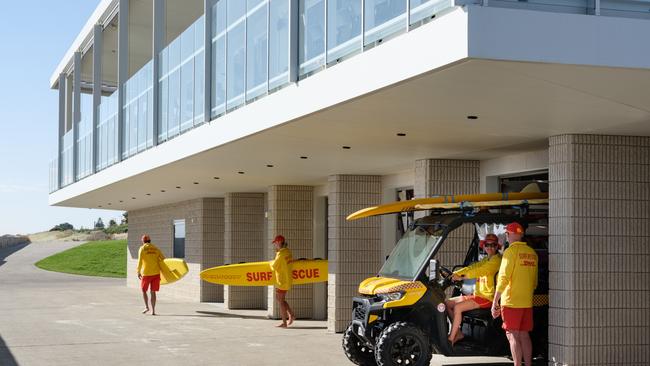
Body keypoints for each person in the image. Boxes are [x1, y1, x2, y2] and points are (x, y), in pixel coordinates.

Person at [491, 222, 538, 366]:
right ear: (521, 235)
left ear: (509, 234)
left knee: (512, 336)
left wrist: (495, 302)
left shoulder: (510, 252)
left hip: (511, 301)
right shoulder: (532, 253)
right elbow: (534, 282)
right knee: (524, 335)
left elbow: (503, 278)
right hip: (527, 301)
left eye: (506, 234)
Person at [445, 233, 502, 346]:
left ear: (497, 247)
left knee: (457, 307)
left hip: (487, 297)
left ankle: (451, 338)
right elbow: (472, 267)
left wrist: (461, 277)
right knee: (447, 303)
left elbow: (479, 271)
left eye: (493, 245)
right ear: (484, 246)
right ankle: (459, 333)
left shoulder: (496, 261)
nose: (490, 247)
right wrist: (455, 274)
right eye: (487, 244)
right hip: (477, 295)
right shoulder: (486, 259)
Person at [136, 234, 165, 315]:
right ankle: (153, 311)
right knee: (153, 292)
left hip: (146, 273)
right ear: (150, 241)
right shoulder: (156, 248)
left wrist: (138, 271)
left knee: (144, 290)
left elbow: (140, 261)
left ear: (143, 241)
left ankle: (146, 307)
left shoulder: (142, 248)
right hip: (156, 273)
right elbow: (163, 259)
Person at [270, 235, 295, 328]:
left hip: (282, 281)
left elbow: (274, 266)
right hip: (287, 279)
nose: (275, 245)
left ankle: (284, 322)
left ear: (279, 242)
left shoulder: (280, 254)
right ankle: (291, 315)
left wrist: (271, 262)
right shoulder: (288, 252)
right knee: (280, 299)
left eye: (276, 243)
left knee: (280, 301)